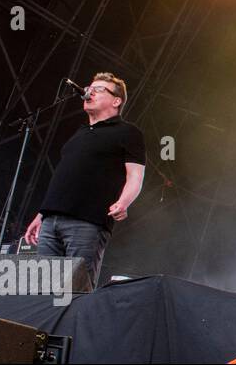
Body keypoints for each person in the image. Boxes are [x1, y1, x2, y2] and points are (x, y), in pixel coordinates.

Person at [23, 72, 146, 283]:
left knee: (75, 290)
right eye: (90, 88)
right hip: (51, 220)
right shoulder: (79, 134)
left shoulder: (128, 132)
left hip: (87, 222)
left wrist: (124, 202)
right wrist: (41, 214)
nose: (89, 92)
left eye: (98, 89)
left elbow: (135, 175)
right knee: (42, 292)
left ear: (116, 101)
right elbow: (64, 178)